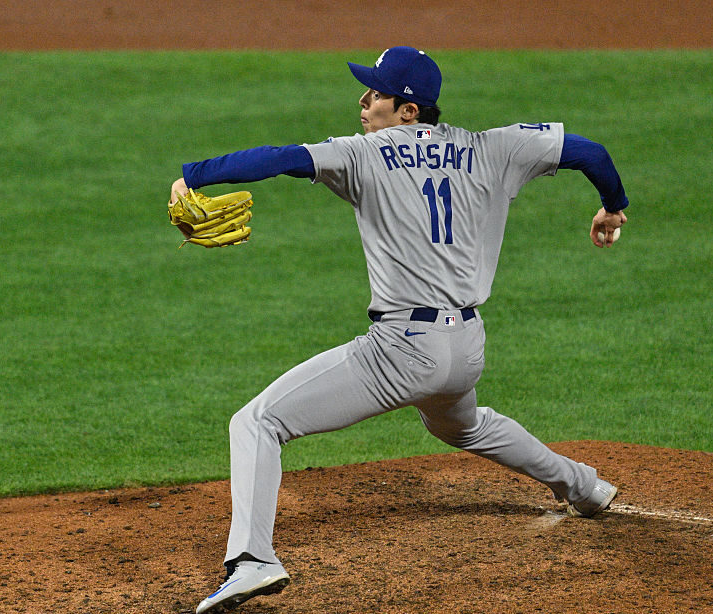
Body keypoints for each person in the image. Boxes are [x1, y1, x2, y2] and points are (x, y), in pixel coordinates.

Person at [170, 46, 629, 614]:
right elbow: (591, 151)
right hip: (467, 346)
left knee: (258, 421)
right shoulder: (495, 146)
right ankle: (582, 486)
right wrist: (613, 206)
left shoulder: (366, 154)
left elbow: (281, 157)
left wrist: (194, 176)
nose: (363, 102)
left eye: (376, 93)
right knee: (463, 426)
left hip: (402, 351)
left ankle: (253, 561)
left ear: (408, 110)